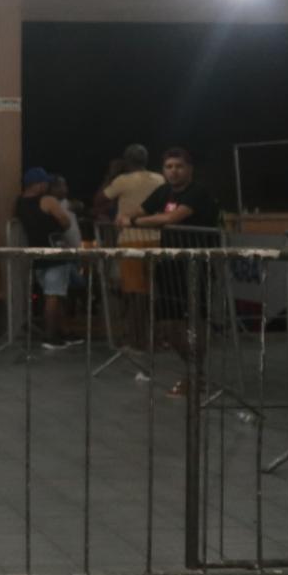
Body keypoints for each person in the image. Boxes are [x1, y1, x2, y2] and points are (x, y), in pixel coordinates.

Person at [117, 147, 220, 397]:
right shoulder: (163, 191)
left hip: (195, 264)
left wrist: (134, 222)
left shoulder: (198, 192)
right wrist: (126, 215)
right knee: (168, 323)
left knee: (194, 320)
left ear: (190, 169)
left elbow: (173, 218)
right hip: (170, 265)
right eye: (169, 167)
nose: (174, 171)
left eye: (179, 166)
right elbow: (140, 210)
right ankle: (192, 370)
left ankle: (196, 375)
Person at [102, 145, 165, 351]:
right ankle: (155, 336)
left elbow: (100, 198)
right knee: (153, 291)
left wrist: (112, 174)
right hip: (157, 239)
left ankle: (137, 339)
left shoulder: (123, 180)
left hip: (131, 240)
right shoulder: (159, 179)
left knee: (135, 292)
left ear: (127, 161)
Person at [15, 167, 80, 349]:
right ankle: (50, 336)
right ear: (37, 184)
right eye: (45, 183)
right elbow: (65, 221)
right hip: (55, 254)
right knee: (54, 296)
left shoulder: (19, 203)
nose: (47, 186)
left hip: (37, 255)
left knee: (54, 294)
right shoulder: (47, 200)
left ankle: (64, 331)